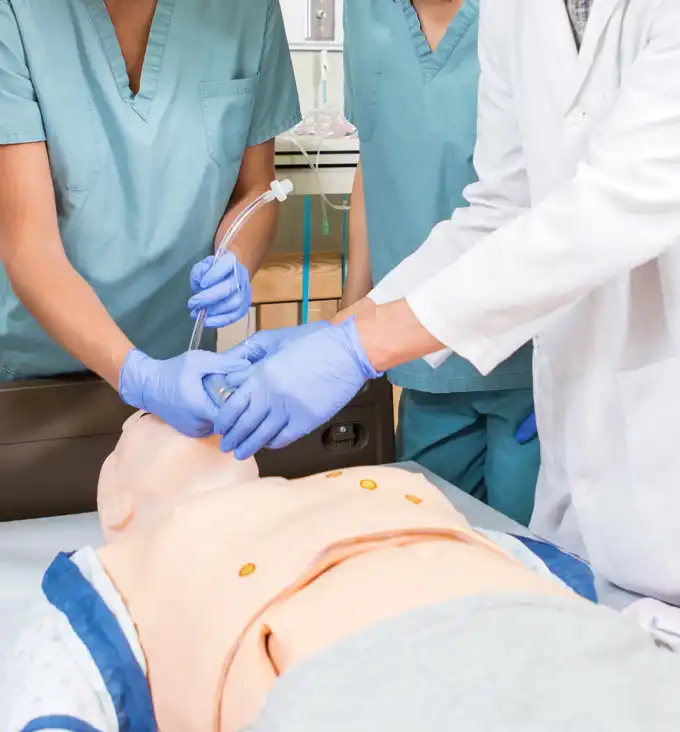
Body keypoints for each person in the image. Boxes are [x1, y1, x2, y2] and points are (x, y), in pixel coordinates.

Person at [3, 411, 680, 732]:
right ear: (115, 507)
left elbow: (554, 581)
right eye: (138, 421)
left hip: (571, 654)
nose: (188, 401)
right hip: (366, 706)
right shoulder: (110, 576)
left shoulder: (391, 486)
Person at [214, 0, 680, 604]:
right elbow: (500, 208)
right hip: (596, 484)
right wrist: (347, 325)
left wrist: (362, 345)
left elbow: (621, 202)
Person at [0, 0, 300, 438]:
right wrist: (137, 376)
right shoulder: (19, 13)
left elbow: (258, 189)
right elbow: (29, 245)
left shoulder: (247, 12)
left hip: (182, 372)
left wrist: (236, 257)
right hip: (38, 377)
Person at [341, 0, 538, 525]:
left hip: (531, 361)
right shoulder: (365, 13)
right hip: (418, 358)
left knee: (534, 566)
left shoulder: (528, 17)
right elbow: (373, 157)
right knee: (436, 557)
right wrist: (346, 322)